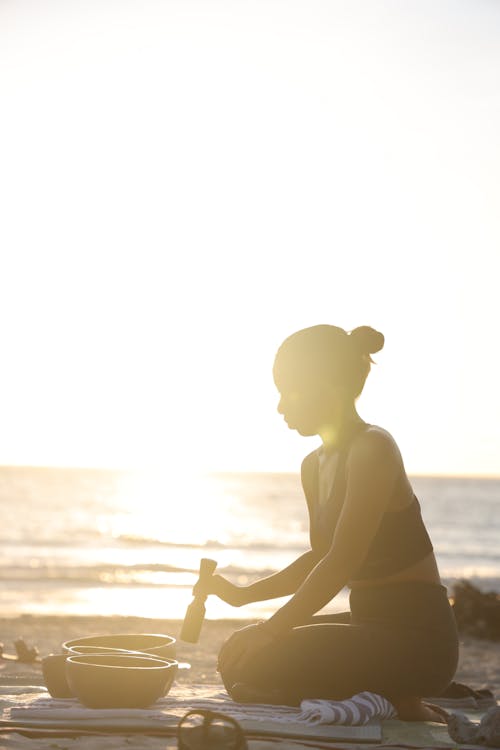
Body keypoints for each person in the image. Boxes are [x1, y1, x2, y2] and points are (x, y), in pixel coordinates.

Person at [195, 324, 458, 722]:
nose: (281, 406)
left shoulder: (373, 447)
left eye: (290, 391)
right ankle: (390, 697)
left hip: (418, 639)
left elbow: (342, 561)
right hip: (368, 621)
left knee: (261, 660)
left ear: (327, 386)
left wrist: (270, 629)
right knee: (240, 662)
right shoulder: (313, 466)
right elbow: (320, 557)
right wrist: (240, 596)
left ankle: (395, 701)